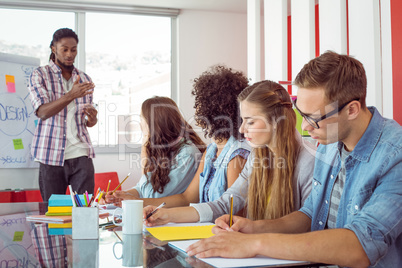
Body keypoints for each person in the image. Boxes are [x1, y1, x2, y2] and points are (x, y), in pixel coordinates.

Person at [186, 51, 402, 268]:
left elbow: (361, 246)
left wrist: (255, 243)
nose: (305, 127)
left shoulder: (395, 155)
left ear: (352, 109)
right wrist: (254, 227)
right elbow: (309, 213)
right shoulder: (329, 142)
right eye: (302, 114)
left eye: (314, 118)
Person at [143, 80, 316, 226]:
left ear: (277, 121)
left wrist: (252, 230)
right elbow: (224, 204)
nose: (242, 129)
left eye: (251, 122)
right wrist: (167, 215)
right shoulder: (258, 156)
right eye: (242, 121)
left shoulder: (308, 162)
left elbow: (309, 222)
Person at [105, 65, 250, 207]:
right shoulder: (211, 150)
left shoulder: (233, 155)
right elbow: (185, 197)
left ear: (213, 107)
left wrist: (145, 141)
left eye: (200, 102)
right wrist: (127, 198)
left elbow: (229, 212)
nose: (196, 109)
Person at [28, 28, 97, 201]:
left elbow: (86, 122)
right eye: (64, 49)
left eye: (73, 50)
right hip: (50, 155)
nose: (69, 54)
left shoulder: (84, 78)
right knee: (54, 215)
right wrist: (71, 95)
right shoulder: (39, 75)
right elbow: (42, 112)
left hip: (81, 153)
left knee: (85, 211)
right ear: (53, 48)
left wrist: (93, 118)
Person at [105, 96, 205, 200]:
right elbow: (141, 189)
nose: (140, 124)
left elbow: (152, 195)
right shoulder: (164, 148)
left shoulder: (187, 153)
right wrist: (118, 196)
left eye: (141, 118)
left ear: (154, 123)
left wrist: (145, 145)